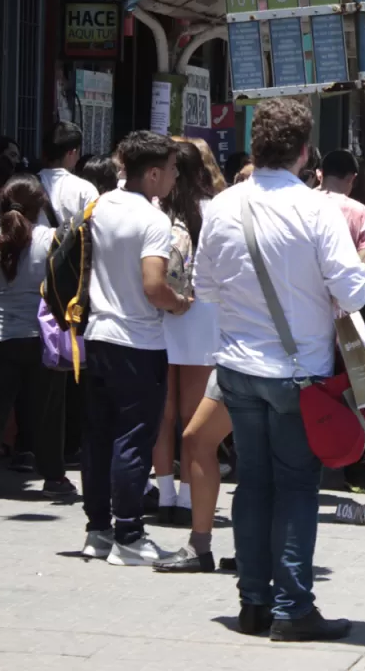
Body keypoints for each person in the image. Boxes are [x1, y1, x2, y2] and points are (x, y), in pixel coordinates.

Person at [195, 97, 365, 641]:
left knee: (251, 483)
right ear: (303, 151)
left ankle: (252, 603)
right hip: (299, 373)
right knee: (296, 487)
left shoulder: (222, 206)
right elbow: (354, 292)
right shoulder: (319, 209)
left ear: (255, 147)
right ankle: (293, 609)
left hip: (237, 367)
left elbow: (202, 288)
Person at [80, 131, 188, 567]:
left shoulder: (100, 205)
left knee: (97, 438)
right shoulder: (153, 220)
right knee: (132, 439)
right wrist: (179, 303)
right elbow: (154, 286)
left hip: (97, 335)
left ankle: (97, 531)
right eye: (173, 170)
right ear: (155, 172)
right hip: (139, 342)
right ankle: (129, 534)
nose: (175, 178)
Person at [0, 175, 74, 500]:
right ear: (39, 208)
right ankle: (53, 477)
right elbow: (62, 290)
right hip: (39, 338)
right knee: (49, 409)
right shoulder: (51, 239)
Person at [151, 141, 219, 530]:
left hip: (161, 313)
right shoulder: (214, 211)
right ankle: (189, 497)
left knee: (163, 412)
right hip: (202, 315)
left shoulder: (155, 211)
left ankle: (164, 495)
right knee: (194, 417)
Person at [320, 149, 365, 286]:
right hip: (342, 299)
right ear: (352, 178)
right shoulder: (359, 212)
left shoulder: (299, 202)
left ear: (321, 174)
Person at [37, 121, 99, 228]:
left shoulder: (26, 185)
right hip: (70, 245)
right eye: (78, 153)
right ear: (72, 152)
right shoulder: (85, 190)